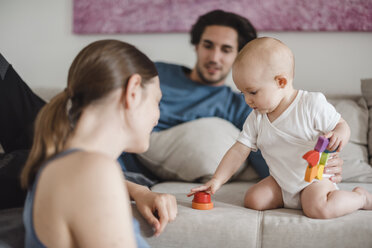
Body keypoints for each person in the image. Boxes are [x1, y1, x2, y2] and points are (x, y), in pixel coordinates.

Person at [123, 9, 344, 181]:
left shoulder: (243, 105)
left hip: (144, 175)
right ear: (196, 46)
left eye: (226, 50)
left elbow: (270, 157)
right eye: (208, 46)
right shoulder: (155, 72)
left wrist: (320, 168)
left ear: (240, 56)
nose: (214, 57)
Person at [16, 40, 177, 247]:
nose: (157, 117)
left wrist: (140, 191)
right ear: (133, 91)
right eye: (157, 101)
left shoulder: (64, 165)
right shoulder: (93, 171)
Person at [189, 37, 372, 218]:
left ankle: (360, 198)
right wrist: (216, 180)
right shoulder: (257, 118)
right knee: (254, 200)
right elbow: (238, 151)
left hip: (313, 181)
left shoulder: (310, 104)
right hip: (281, 182)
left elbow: (340, 125)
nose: (247, 100)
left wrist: (340, 134)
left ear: (281, 82)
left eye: (252, 92)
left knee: (319, 209)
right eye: (242, 93)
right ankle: (292, 200)